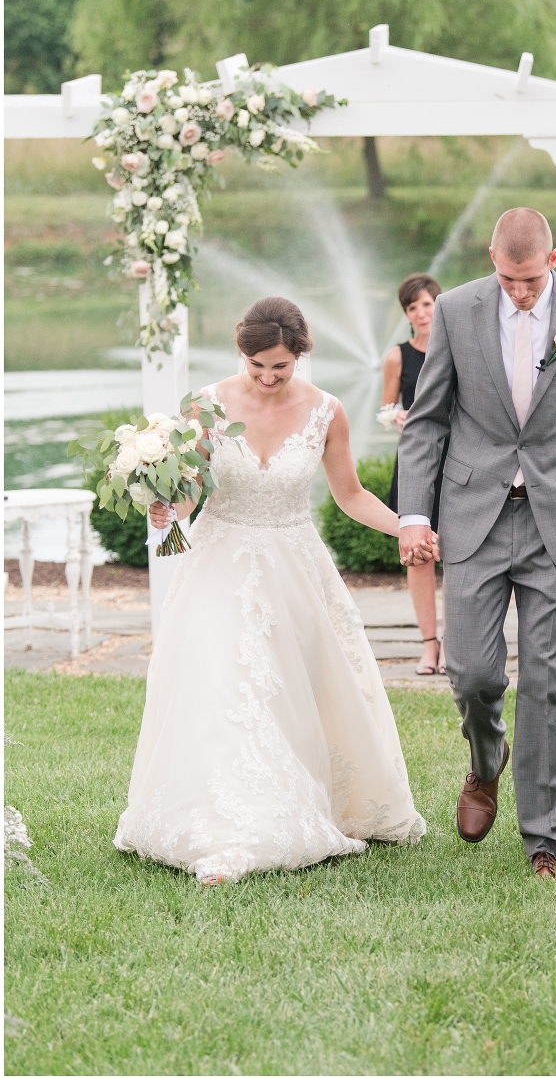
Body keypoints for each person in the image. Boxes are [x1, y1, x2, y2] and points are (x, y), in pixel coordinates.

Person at [114, 297, 431, 883]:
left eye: (279, 368)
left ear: (299, 357)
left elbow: (350, 495)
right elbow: (190, 491)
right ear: (243, 353)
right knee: (223, 685)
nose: (265, 378)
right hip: (218, 562)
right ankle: (223, 828)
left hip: (294, 567)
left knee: (292, 692)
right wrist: (166, 507)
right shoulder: (206, 407)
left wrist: (409, 525)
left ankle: (311, 804)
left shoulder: (325, 412)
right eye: (256, 366)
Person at [397, 208, 556, 879]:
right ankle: (484, 764)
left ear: (553, 261)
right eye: (509, 278)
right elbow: (427, 421)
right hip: (474, 514)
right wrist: (414, 514)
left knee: (544, 680)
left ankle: (544, 841)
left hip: (553, 518)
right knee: (473, 673)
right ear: (492, 260)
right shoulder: (455, 309)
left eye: (531, 279)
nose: (521, 292)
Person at [382, 273, 447, 676]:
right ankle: (429, 645)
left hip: (458, 461)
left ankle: (458, 644)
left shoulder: (456, 344)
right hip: (414, 463)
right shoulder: (398, 356)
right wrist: (397, 416)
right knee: (418, 557)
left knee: (460, 555)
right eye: (412, 307)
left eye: (426, 304)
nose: (421, 313)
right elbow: (385, 407)